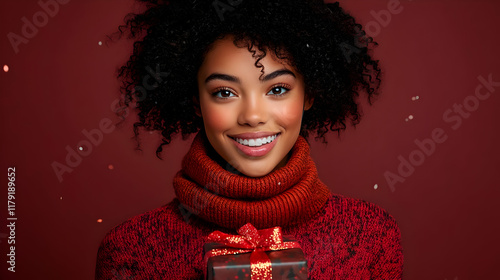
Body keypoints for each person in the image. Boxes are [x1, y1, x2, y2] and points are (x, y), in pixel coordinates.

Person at [95, 0, 403, 279]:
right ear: (196, 102)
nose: (252, 116)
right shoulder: (132, 250)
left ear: (309, 94)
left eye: (277, 89)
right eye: (224, 93)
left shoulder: (370, 236)